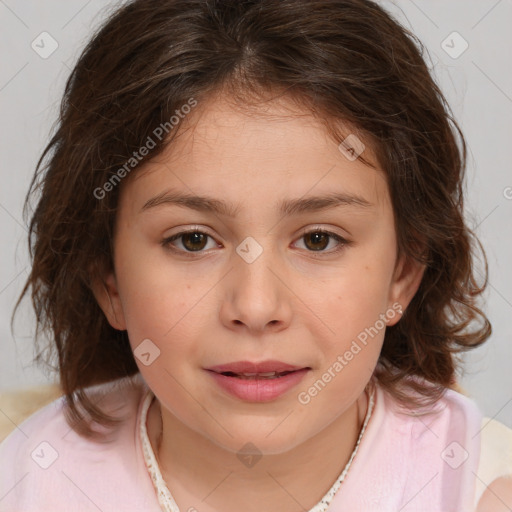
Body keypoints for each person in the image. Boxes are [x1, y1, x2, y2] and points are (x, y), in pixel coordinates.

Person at [1, 0, 511, 510]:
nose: (257, 306)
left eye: (318, 239)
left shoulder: (480, 487)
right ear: (109, 280)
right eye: (193, 240)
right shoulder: (28, 482)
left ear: (402, 274)